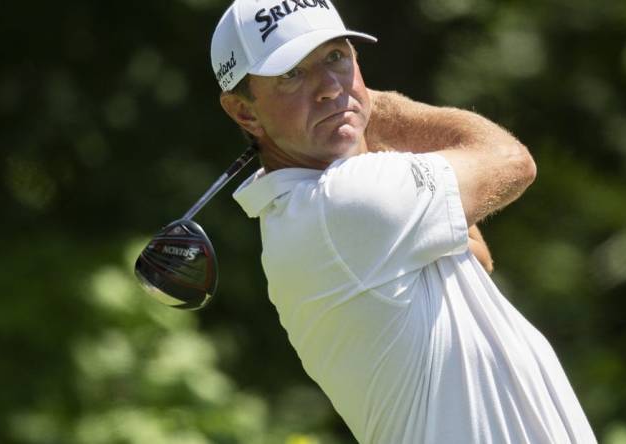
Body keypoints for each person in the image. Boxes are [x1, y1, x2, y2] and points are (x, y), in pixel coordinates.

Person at [211, 0, 598, 442]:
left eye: (336, 57)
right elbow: (510, 161)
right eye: (291, 74)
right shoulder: (339, 205)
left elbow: (477, 254)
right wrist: (374, 107)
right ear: (244, 112)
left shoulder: (320, 209)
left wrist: (353, 125)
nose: (328, 87)